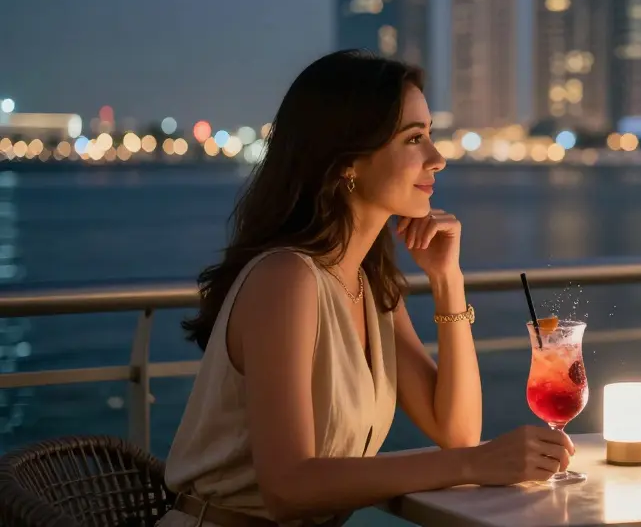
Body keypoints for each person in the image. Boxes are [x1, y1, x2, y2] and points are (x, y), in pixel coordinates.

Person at [160, 51, 573, 527]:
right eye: (414, 139)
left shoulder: (367, 284)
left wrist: (447, 280)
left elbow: (457, 431)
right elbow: (287, 487)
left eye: (430, 135)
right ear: (347, 162)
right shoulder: (286, 279)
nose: (437, 159)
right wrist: (472, 465)